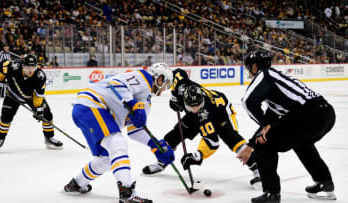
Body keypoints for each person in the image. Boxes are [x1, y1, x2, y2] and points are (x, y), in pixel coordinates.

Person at [63, 64, 175, 203]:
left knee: (105, 160)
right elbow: (115, 84)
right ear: (160, 78)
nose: (165, 88)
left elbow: (135, 130)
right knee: (117, 143)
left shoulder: (146, 101)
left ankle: (76, 184)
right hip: (92, 105)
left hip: (90, 111)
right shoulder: (143, 78)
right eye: (166, 84)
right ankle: (127, 193)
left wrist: (156, 145)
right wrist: (132, 103)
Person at [237, 50, 336, 203]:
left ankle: (272, 193)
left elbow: (248, 101)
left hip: (308, 114)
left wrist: (260, 133)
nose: (250, 72)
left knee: (263, 145)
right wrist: (250, 145)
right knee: (302, 143)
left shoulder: (265, 74)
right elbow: (269, 122)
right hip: (326, 114)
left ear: (255, 66)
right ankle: (324, 183)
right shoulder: (277, 84)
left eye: (250, 68)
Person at [142, 67, 261, 188]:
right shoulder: (181, 87)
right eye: (191, 107)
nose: (195, 109)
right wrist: (174, 96)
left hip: (221, 113)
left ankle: (259, 170)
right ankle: (162, 161)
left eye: (198, 106)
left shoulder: (204, 114)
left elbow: (212, 142)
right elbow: (178, 73)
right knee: (175, 134)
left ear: (202, 102)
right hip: (197, 113)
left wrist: (196, 156)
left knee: (232, 139)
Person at [0, 54, 63, 152]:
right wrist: (1, 81)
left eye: (33, 67)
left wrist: (39, 109)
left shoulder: (40, 76)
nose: (30, 70)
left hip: (31, 97)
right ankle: (0, 139)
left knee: (47, 115)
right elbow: (1, 65)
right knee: (6, 116)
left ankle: (49, 138)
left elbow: (38, 96)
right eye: (27, 67)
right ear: (22, 65)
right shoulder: (13, 67)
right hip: (13, 95)